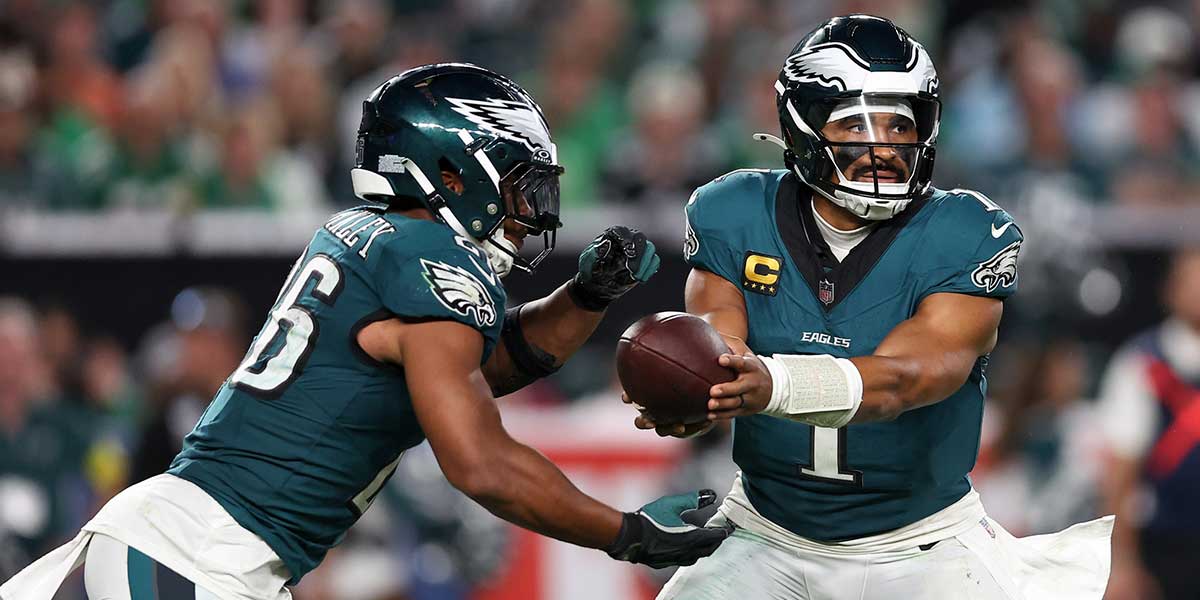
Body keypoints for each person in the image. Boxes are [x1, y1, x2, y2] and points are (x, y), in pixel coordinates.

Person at [1, 63, 729, 600]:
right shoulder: (434, 258)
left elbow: (478, 367)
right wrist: (627, 532)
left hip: (168, 537)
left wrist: (586, 296)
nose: (528, 209)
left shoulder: (368, 236)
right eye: (515, 183)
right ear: (452, 174)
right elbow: (480, 462)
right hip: (203, 557)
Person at [625, 15, 1113, 599]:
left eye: (899, 124)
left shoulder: (963, 232)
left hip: (922, 545)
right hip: (764, 532)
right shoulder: (734, 211)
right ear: (804, 126)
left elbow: (908, 378)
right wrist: (697, 391)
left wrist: (771, 385)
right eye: (856, 123)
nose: (883, 147)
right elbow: (717, 342)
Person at [1098, 248, 1200, 600]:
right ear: (1171, 290)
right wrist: (1122, 562)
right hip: (1166, 542)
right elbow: (1120, 471)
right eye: (1192, 281)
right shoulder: (1142, 362)